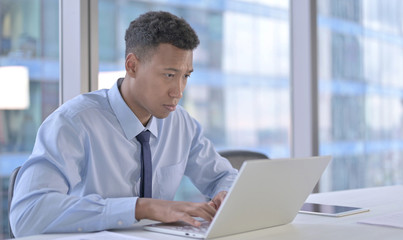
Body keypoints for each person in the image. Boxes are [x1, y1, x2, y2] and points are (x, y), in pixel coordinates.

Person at [10, 11, 237, 237]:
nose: (178, 91)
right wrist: (140, 208)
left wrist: (225, 193)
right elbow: (26, 214)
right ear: (132, 66)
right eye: (169, 75)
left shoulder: (181, 123)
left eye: (186, 76)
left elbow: (223, 176)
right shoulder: (73, 122)